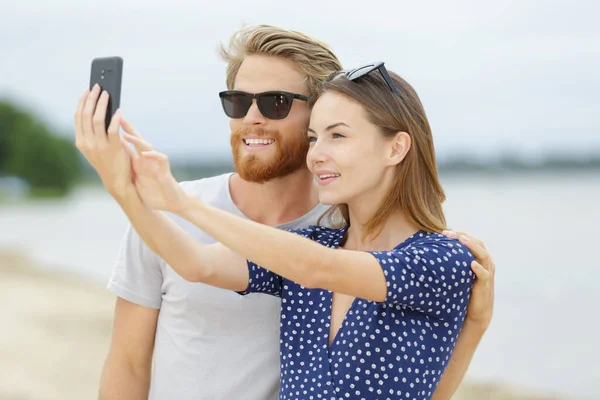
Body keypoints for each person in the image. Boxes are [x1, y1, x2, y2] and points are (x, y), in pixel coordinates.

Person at [75, 26, 495, 400]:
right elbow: (196, 262)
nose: (319, 154)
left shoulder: (443, 257)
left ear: (396, 147)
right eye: (315, 138)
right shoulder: (314, 242)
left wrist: (178, 202)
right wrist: (123, 187)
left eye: (338, 135)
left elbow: (319, 270)